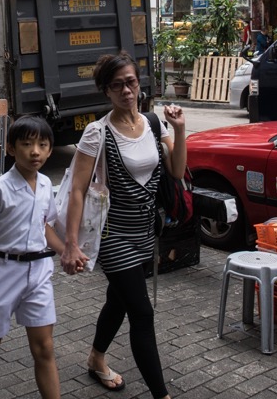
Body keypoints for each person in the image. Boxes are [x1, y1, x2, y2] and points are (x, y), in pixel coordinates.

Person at [60, 52, 186, 399]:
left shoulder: (153, 124)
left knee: (118, 300)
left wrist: (179, 128)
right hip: (113, 235)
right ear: (106, 91)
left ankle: (96, 357)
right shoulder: (96, 133)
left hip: (146, 231)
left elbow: (176, 171)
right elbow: (77, 192)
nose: (126, 90)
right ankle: (162, 394)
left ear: (139, 82)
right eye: (117, 85)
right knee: (142, 313)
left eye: (130, 82)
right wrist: (71, 244)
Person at [0, 116, 69, 399]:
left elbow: (44, 226)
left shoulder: (47, 185)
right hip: (3, 272)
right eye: (26, 144)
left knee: (44, 347)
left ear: (49, 150)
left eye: (42, 145)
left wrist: (66, 251)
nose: (35, 151)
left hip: (39, 274)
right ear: (11, 148)